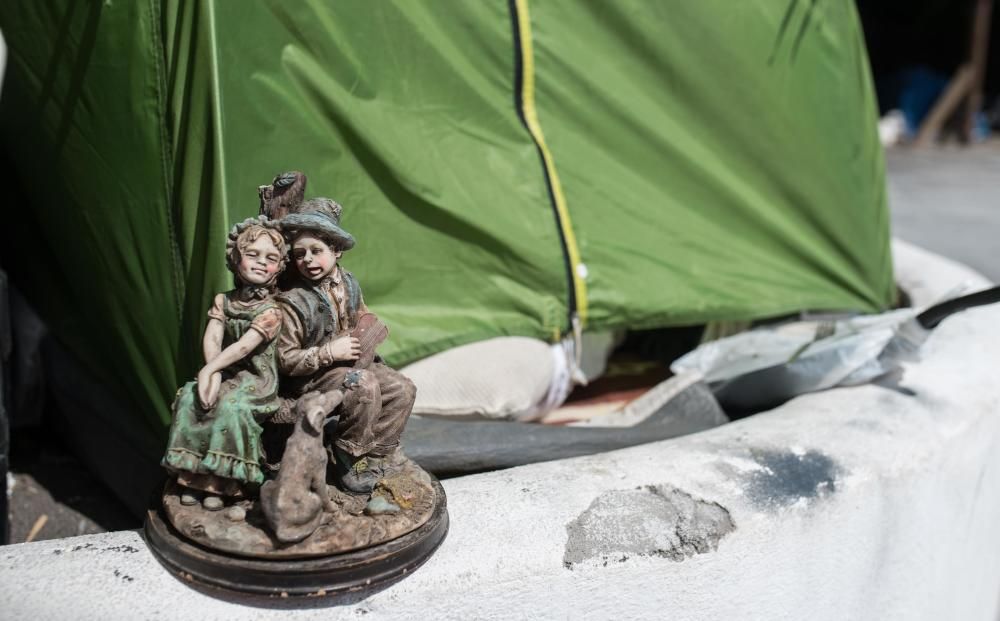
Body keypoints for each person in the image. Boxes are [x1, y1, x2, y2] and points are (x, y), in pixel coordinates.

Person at [276, 198, 416, 494]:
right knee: (363, 386)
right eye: (300, 254)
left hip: (354, 362)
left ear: (336, 251)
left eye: (317, 251)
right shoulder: (293, 302)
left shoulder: (349, 282)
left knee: (402, 388)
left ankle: (377, 453)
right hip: (313, 377)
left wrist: (369, 329)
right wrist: (329, 352)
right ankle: (348, 456)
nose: (308, 260)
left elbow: (360, 313)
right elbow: (285, 360)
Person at [161, 217, 286, 510]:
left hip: (256, 380)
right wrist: (212, 370)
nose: (259, 263)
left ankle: (225, 484)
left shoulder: (271, 311)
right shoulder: (224, 300)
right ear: (235, 258)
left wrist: (210, 368)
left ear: (278, 267)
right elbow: (213, 337)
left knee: (231, 407)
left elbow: (245, 346)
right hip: (225, 370)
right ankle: (192, 477)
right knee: (192, 396)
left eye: (270, 258)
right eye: (252, 254)